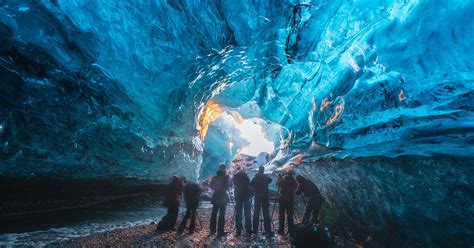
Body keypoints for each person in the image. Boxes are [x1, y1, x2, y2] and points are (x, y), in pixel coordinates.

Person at [251, 166, 273, 236]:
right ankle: (268, 230)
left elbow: (251, 184)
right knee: (266, 213)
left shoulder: (255, 178)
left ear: (258, 170)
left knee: (256, 213)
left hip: (257, 196)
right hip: (265, 196)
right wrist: (266, 176)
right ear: (263, 171)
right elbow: (270, 180)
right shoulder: (266, 177)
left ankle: (255, 230)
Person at [209, 164, 230, 236]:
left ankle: (212, 230)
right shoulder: (226, 177)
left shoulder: (215, 177)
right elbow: (228, 186)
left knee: (214, 214)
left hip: (216, 196)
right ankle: (220, 231)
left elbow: (211, 185)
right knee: (221, 215)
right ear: (224, 169)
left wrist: (216, 189)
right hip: (223, 197)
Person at [232, 167, 252, 236]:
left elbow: (234, 184)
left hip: (238, 196)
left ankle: (238, 229)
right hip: (246, 196)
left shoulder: (235, 177)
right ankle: (248, 229)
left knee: (238, 212)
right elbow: (249, 186)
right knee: (247, 212)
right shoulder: (246, 177)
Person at [277, 170, 298, 235]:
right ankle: (290, 229)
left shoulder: (283, 180)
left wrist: (280, 177)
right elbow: (296, 186)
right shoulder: (293, 181)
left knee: (281, 215)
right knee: (290, 214)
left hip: (282, 198)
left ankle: (281, 230)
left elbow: (278, 184)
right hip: (290, 199)